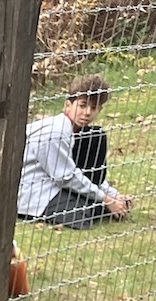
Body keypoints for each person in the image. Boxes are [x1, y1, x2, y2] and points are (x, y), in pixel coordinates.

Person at [18, 74, 133, 229]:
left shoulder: (78, 132)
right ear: (68, 105)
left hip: (54, 184)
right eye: (82, 105)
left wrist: (114, 195)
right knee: (83, 215)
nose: (87, 112)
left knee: (96, 136)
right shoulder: (55, 132)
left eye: (93, 108)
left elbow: (83, 172)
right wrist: (106, 199)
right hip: (32, 192)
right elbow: (66, 176)